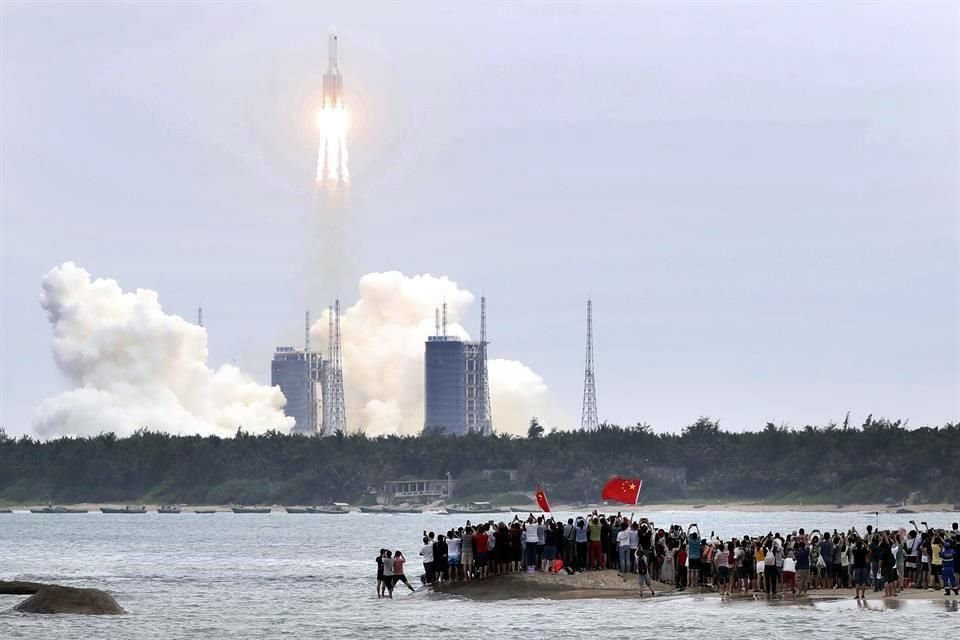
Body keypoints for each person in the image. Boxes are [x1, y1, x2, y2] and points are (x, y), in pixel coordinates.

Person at [687, 524, 702, 591]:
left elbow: (687, 535)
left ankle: (692, 584)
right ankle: (696, 583)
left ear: (692, 536)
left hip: (691, 557)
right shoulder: (698, 541)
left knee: (692, 571)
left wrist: (689, 528)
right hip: (697, 557)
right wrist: (697, 527)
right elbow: (699, 535)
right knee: (696, 571)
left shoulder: (690, 541)